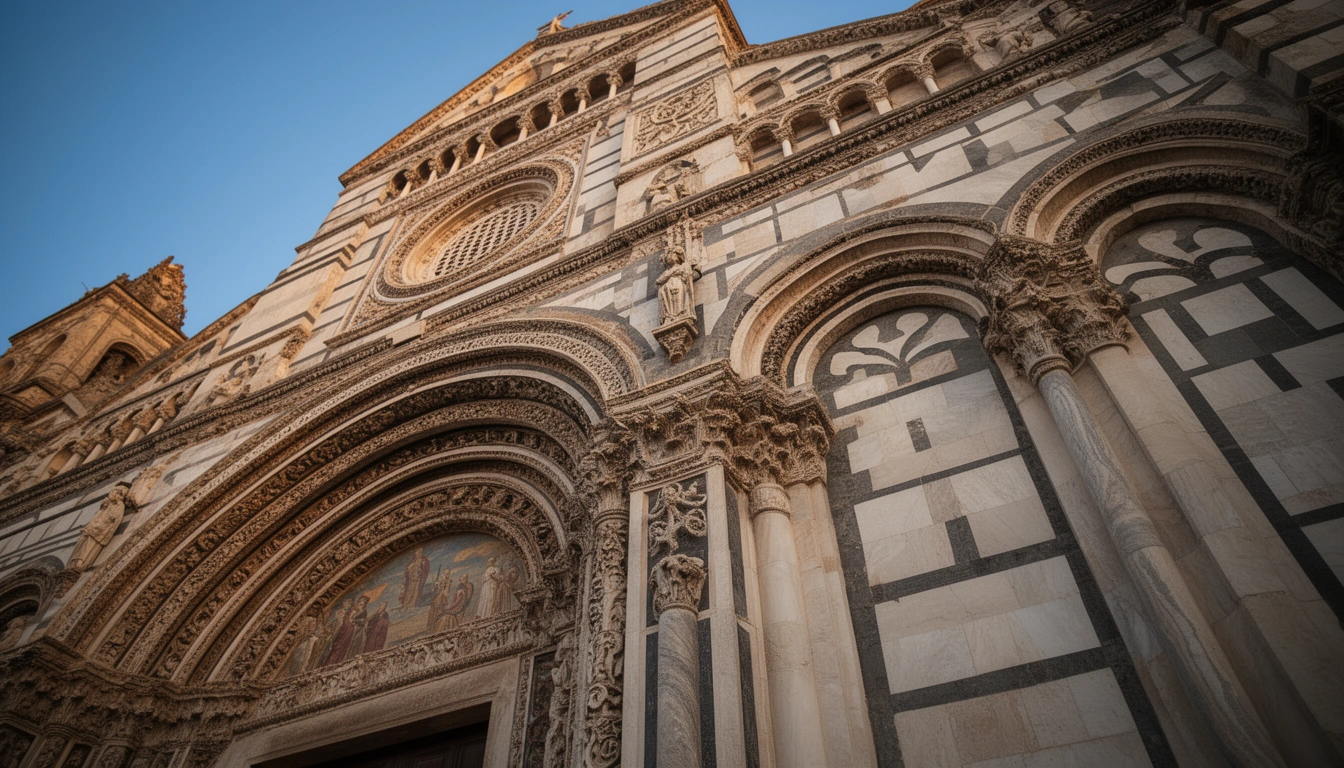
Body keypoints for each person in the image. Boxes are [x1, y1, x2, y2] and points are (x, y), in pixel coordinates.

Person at [68, 483, 133, 570]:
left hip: (100, 529)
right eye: (112, 491)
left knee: (88, 544)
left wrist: (100, 525)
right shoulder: (108, 502)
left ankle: (81, 562)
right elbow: (98, 515)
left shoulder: (119, 504)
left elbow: (115, 518)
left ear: (119, 494)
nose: (112, 493)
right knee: (83, 540)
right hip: (93, 526)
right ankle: (74, 562)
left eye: (114, 491)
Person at [322, 599, 357, 666]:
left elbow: (351, 622)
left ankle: (334, 663)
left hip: (344, 633)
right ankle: (329, 663)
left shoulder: (351, 612)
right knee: (332, 648)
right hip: (337, 632)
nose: (345, 605)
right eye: (345, 604)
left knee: (338, 648)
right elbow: (335, 623)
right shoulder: (341, 612)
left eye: (347, 604)